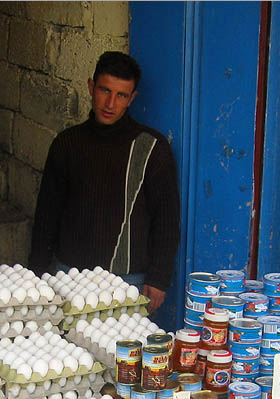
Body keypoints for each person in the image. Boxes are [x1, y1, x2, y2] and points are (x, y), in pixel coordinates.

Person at [28, 51, 180, 314]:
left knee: (124, 354)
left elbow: (166, 220)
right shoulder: (67, 144)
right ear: (91, 87)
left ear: (132, 98)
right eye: (104, 90)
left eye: (121, 95)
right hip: (69, 278)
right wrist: (35, 275)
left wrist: (158, 279)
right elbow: (46, 216)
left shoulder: (152, 148)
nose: (110, 103)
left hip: (127, 282)